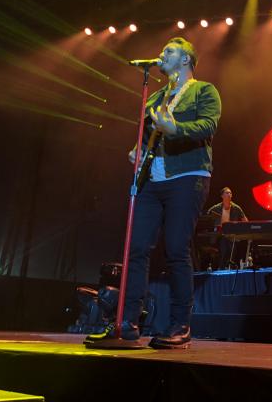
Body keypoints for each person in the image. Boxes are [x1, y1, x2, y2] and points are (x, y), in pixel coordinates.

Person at [87, 37, 221, 349]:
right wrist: (138, 149)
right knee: (135, 250)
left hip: (187, 176)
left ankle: (180, 324)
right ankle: (128, 323)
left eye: (169, 51)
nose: (161, 54)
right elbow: (149, 135)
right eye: (162, 50)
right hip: (152, 179)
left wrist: (177, 129)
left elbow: (208, 126)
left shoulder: (204, 90)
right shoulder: (156, 96)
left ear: (186, 60)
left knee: (176, 249)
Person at [207, 187, 248, 268]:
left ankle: (230, 269)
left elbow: (245, 220)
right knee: (223, 251)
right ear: (222, 196)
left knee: (232, 252)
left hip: (232, 234)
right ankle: (221, 269)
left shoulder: (236, 208)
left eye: (230, 193)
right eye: (227, 193)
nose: (229, 194)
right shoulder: (217, 207)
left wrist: (242, 229)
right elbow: (207, 214)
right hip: (220, 234)